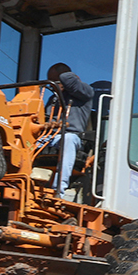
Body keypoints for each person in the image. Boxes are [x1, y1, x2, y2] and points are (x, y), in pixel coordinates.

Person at [44, 63, 94, 198]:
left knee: (68, 140)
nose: (54, 86)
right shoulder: (53, 99)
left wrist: (63, 79)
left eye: (56, 82)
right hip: (51, 137)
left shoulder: (85, 92)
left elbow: (69, 79)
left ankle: (58, 190)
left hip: (71, 136)